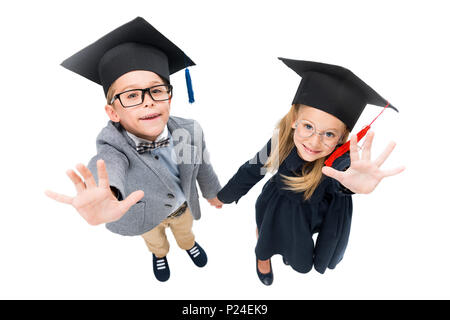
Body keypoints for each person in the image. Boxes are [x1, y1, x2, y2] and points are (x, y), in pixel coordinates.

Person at [45, 17, 223, 282]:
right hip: (145, 214)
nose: (148, 102)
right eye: (131, 95)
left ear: (169, 96)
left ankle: (188, 246)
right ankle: (160, 255)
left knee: (185, 232)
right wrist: (109, 191)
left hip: (182, 206)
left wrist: (212, 193)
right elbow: (107, 165)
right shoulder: (113, 145)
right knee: (155, 241)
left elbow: (203, 166)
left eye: (156, 91)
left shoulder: (190, 130)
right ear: (112, 112)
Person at [212, 58, 405, 285]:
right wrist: (224, 195)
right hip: (278, 204)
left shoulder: (341, 159)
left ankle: (285, 250)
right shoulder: (281, 140)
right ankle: (262, 257)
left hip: (311, 215)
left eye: (329, 134)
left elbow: (343, 176)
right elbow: (252, 169)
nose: (314, 142)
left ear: (342, 137)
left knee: (296, 244)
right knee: (267, 233)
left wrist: (351, 184)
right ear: (295, 120)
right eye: (308, 126)